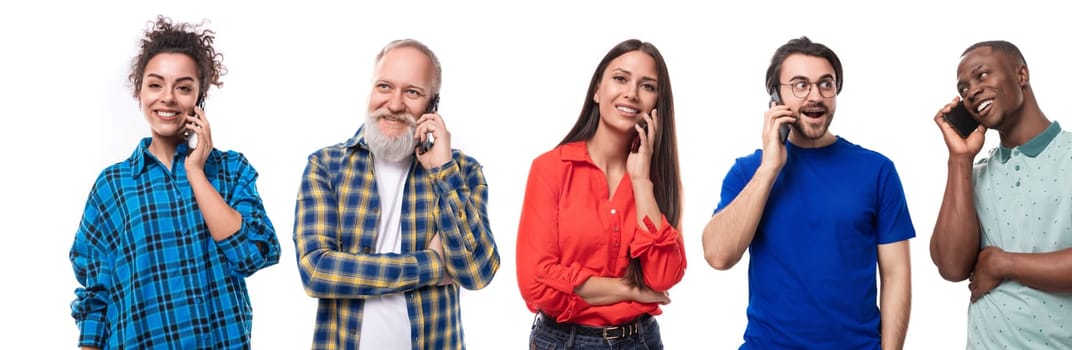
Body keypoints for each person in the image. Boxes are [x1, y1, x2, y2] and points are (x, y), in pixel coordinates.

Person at [68, 15, 281, 349]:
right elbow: (97, 293)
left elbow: (252, 256)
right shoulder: (112, 187)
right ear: (140, 92)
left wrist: (196, 171)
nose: (167, 97)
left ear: (199, 97)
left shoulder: (231, 170)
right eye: (155, 84)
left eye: (183, 87)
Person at [700, 36, 914, 349]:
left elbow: (896, 274)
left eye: (826, 84)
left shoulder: (877, 170)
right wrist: (770, 168)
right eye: (800, 85)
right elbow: (718, 256)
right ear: (776, 96)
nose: (815, 96)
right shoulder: (748, 172)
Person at [293, 38, 500, 350]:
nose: (394, 104)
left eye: (412, 92)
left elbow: (477, 272)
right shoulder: (326, 166)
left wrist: (442, 170)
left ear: (433, 106)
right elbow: (317, 272)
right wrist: (432, 264)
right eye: (384, 86)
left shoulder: (462, 172)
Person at [929, 40, 1072, 349]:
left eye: (981, 76)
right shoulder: (973, 175)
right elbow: (951, 267)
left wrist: (1002, 264)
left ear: (1021, 75)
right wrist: (960, 159)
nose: (972, 92)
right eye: (963, 88)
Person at [516, 39, 686, 350]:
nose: (631, 93)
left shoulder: (656, 181)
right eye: (620, 78)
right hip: (562, 341)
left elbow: (662, 277)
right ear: (597, 91)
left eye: (647, 86)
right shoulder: (550, 168)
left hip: (641, 341)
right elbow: (535, 283)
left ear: (657, 104)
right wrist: (630, 290)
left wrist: (640, 181)